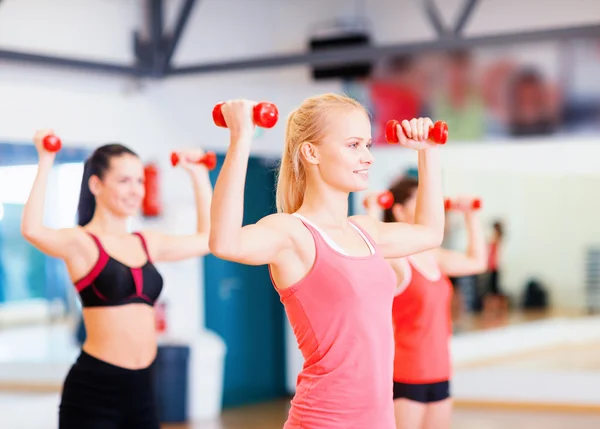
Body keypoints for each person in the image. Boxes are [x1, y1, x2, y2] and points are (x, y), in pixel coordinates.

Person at [208, 94, 445, 429]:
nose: (367, 158)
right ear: (311, 152)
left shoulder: (364, 230)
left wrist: (428, 152)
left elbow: (431, 233)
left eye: (367, 145)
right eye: (353, 145)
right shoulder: (292, 232)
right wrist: (240, 138)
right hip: (324, 421)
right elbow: (225, 242)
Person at [21, 129, 213, 429]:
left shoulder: (146, 241)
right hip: (94, 390)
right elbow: (33, 229)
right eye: (124, 181)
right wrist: (46, 159)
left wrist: (199, 175)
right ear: (96, 185)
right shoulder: (81, 243)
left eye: (139, 180)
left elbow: (209, 240)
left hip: (144, 388)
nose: (136, 190)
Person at [366, 176, 487, 429]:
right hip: (407, 373)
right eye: (419, 201)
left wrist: (471, 216)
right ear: (399, 211)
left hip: (440, 370)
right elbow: (371, 252)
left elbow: (477, 262)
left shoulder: (435, 257)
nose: (429, 208)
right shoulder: (397, 260)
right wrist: (373, 210)